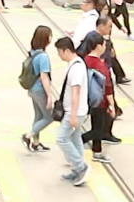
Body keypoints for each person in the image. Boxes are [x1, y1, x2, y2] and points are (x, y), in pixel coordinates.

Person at [55, 37, 90, 186]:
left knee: (61, 138)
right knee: (75, 139)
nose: (58, 55)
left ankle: (81, 167)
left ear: (66, 50)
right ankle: (77, 170)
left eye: (59, 52)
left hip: (75, 111)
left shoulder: (76, 68)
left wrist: (73, 115)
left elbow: (76, 92)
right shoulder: (75, 63)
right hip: (75, 110)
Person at [81, 33, 116, 164]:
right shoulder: (100, 65)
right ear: (98, 46)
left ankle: (97, 151)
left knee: (97, 125)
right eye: (104, 45)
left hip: (87, 98)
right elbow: (107, 87)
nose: (105, 47)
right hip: (100, 101)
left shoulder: (84, 60)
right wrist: (111, 104)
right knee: (99, 129)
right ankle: (78, 141)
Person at [21, 26, 54, 152]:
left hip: (32, 88)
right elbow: (44, 77)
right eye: (50, 35)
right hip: (40, 89)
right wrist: (49, 95)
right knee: (49, 117)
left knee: (39, 115)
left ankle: (35, 142)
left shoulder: (33, 52)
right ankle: (28, 136)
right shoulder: (43, 56)